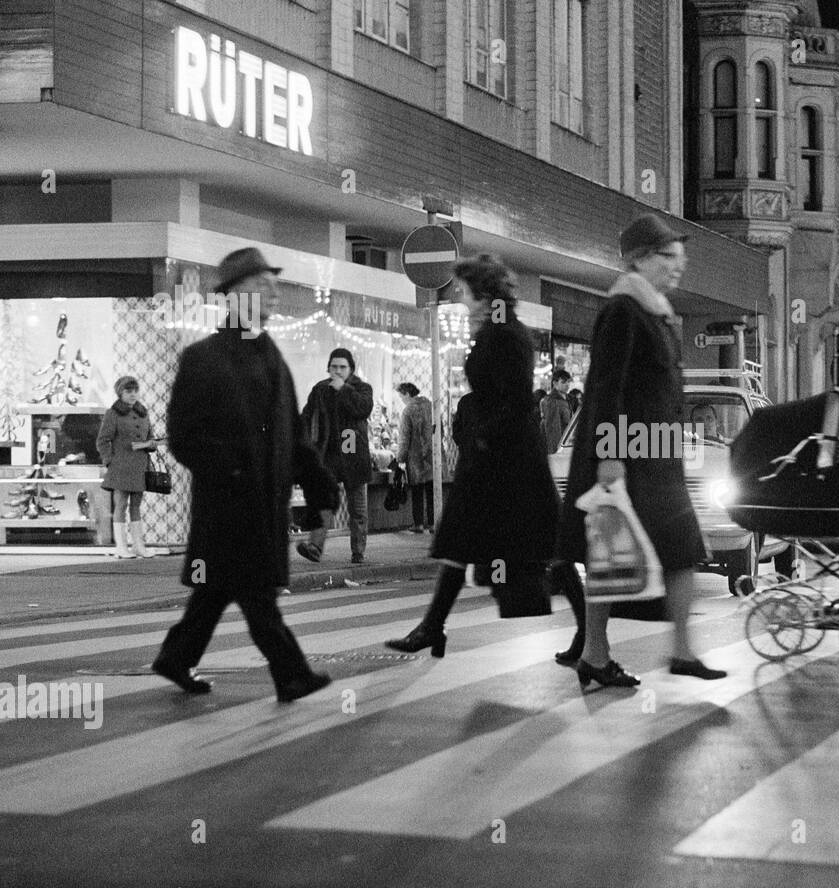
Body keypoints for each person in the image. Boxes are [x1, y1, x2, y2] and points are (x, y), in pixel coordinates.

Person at [151, 247, 337, 702]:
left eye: (273, 288)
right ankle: (291, 675)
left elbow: (294, 438)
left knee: (216, 594)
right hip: (228, 507)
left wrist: (320, 492)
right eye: (260, 287)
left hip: (263, 506)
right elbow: (182, 437)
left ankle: (176, 659)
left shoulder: (271, 354)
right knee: (257, 595)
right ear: (232, 297)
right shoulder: (204, 358)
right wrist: (232, 470)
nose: (271, 295)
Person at [384, 254, 587, 662]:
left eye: (463, 289)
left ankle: (588, 637)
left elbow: (513, 401)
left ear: (482, 291)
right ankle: (432, 626)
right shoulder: (498, 328)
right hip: (498, 460)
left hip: (510, 464)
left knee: (548, 546)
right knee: (463, 541)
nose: (459, 297)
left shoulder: (506, 334)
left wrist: (482, 439)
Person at [558, 213, 725, 688]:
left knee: (679, 550)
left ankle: (679, 650)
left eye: (681, 256)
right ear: (638, 259)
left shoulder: (655, 311)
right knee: (611, 554)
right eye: (668, 256)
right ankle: (596, 652)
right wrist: (610, 456)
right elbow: (607, 387)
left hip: (658, 453)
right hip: (628, 453)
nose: (679, 265)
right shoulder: (623, 310)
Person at [297, 348, 373, 565]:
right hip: (328, 457)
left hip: (353, 456)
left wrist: (344, 389)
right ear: (328, 367)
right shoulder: (320, 389)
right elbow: (306, 416)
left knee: (357, 508)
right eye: (334, 367)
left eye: (342, 367)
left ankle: (358, 552)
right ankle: (315, 547)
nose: (338, 371)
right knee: (324, 503)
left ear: (351, 369)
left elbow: (363, 408)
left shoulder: (362, 388)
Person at [96, 376, 157, 559]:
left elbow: (149, 436)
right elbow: (102, 440)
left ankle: (139, 546)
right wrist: (109, 461)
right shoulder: (113, 414)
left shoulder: (143, 412)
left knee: (136, 506)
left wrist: (152, 444)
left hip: (140, 465)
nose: (133, 395)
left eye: (135, 391)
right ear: (120, 393)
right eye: (128, 391)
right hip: (120, 466)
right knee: (121, 505)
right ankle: (121, 547)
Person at [395, 382, 435, 533]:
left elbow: (404, 439)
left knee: (417, 492)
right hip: (431, 457)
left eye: (400, 396)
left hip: (416, 458)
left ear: (406, 393)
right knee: (431, 490)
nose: (401, 399)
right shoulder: (431, 406)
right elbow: (441, 431)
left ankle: (418, 524)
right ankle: (432, 523)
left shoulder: (408, 410)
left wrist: (400, 459)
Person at [541, 370, 574, 453]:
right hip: (559, 448)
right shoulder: (551, 401)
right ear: (555, 383)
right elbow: (553, 431)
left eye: (568, 382)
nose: (567, 385)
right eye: (563, 382)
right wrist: (556, 452)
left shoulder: (568, 399)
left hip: (567, 445)